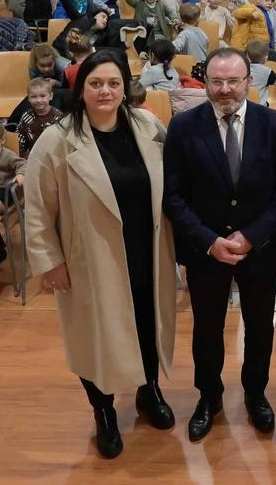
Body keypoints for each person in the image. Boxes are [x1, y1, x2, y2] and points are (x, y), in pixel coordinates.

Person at [25, 50, 176, 460]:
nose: (105, 91)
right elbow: (38, 208)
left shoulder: (148, 126)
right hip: (88, 259)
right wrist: (49, 261)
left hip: (147, 250)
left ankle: (148, 391)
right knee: (94, 337)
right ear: (81, 89)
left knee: (147, 322)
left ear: (125, 87)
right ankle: (104, 412)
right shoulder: (56, 140)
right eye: (96, 84)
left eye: (113, 83)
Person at [162, 47, 276, 440]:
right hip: (206, 252)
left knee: (259, 327)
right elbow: (173, 197)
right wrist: (209, 241)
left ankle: (256, 394)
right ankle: (209, 397)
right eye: (216, 82)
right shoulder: (184, 127)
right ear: (205, 83)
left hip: (260, 249)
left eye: (232, 81)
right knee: (206, 328)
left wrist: (251, 237)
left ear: (248, 82)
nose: (225, 89)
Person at [16, 78, 63, 158]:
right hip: (33, 155)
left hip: (54, 155)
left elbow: (63, 138)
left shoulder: (58, 116)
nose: (38, 100)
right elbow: (20, 136)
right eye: (33, 97)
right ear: (28, 98)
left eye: (42, 96)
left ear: (50, 96)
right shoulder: (26, 117)